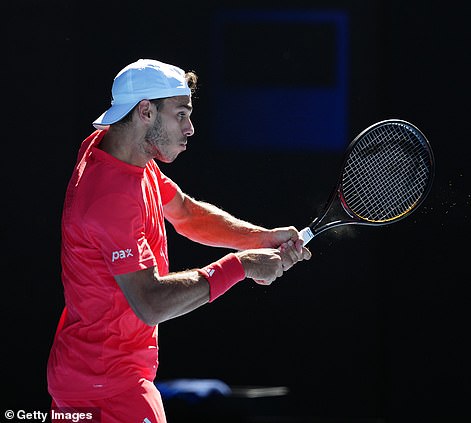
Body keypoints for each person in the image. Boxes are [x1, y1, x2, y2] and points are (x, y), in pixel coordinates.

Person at [46, 59, 311, 423]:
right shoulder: (109, 199)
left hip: (84, 378)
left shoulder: (117, 151)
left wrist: (258, 239)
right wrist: (242, 265)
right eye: (181, 115)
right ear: (145, 111)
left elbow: (185, 213)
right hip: (110, 391)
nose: (190, 128)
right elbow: (151, 302)